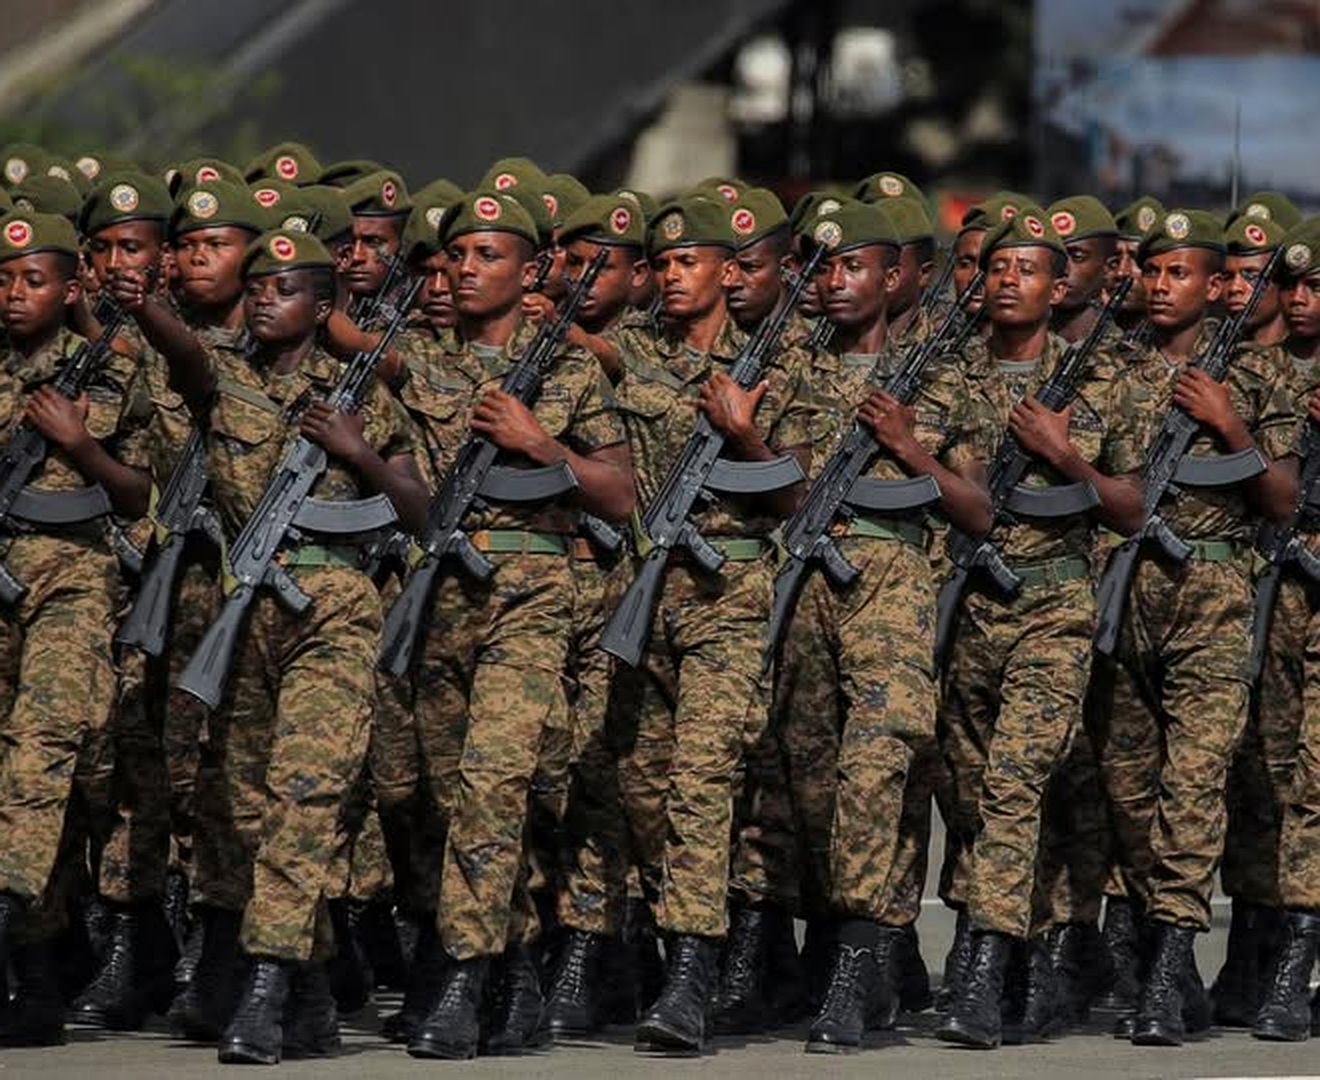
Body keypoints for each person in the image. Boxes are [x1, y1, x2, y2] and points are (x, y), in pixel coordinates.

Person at [128, 226, 429, 1064]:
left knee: (306, 797)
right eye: (256, 285)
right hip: (244, 609)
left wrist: (358, 450)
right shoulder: (224, 376)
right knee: (245, 810)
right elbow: (186, 357)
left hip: (333, 609)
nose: (263, 296)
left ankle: (266, 987)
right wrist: (145, 304)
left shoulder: (359, 395)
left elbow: (420, 511)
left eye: (285, 287)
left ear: (324, 308)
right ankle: (311, 998)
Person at [392, 190, 633, 1061]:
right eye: (457, 256)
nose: (463, 269)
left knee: (495, 781)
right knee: (448, 792)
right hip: (437, 597)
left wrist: (542, 446)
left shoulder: (566, 373)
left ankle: (463, 975)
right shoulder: (414, 365)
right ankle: (515, 967)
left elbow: (618, 491)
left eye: (487, 256)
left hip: (533, 594)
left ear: (531, 273)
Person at [769, 197, 991, 1053]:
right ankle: (867, 954)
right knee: (818, 781)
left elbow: (975, 510)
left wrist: (911, 448)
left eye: (852, 265)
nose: (833, 282)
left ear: (896, 275)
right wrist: (754, 443)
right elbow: (781, 495)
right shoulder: (796, 367)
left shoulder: (942, 378)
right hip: (809, 582)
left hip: (894, 580)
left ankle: (857, 975)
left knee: (876, 767)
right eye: (824, 266)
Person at [601, 193, 814, 1055]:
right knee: (644, 790)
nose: (671, 276)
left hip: (732, 595)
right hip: (644, 595)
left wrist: (747, 437)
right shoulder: (634, 352)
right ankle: (687, 946)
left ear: (731, 272)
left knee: (702, 782)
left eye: (689, 263)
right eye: (663, 264)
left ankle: (693, 975)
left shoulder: (783, 362)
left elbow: (802, 497)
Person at [1096, 209, 1297, 1047]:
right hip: (1125, 594)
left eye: (1181, 273)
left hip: (1213, 597)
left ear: (1220, 287)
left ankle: (1173, 964)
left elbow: (1282, 499)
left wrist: (1230, 424)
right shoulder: (1111, 371)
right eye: (1154, 272)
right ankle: (1149, 952)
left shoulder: (1265, 376)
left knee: (1194, 785)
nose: (1163, 285)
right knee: (1130, 790)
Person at [0, 211, 150, 1046]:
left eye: (34, 279)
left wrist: (81, 444)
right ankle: (35, 966)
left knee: (42, 752)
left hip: (72, 580)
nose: (16, 293)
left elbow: (135, 495)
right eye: (5, 277)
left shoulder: (106, 373)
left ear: (70, 289)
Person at [1255, 217, 1320, 1041]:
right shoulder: (1259, 373)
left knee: (1313, 781)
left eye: (1317, 290)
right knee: (1274, 772)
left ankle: (1293, 971)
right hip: (1277, 585)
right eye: (1293, 287)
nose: (1300, 302)